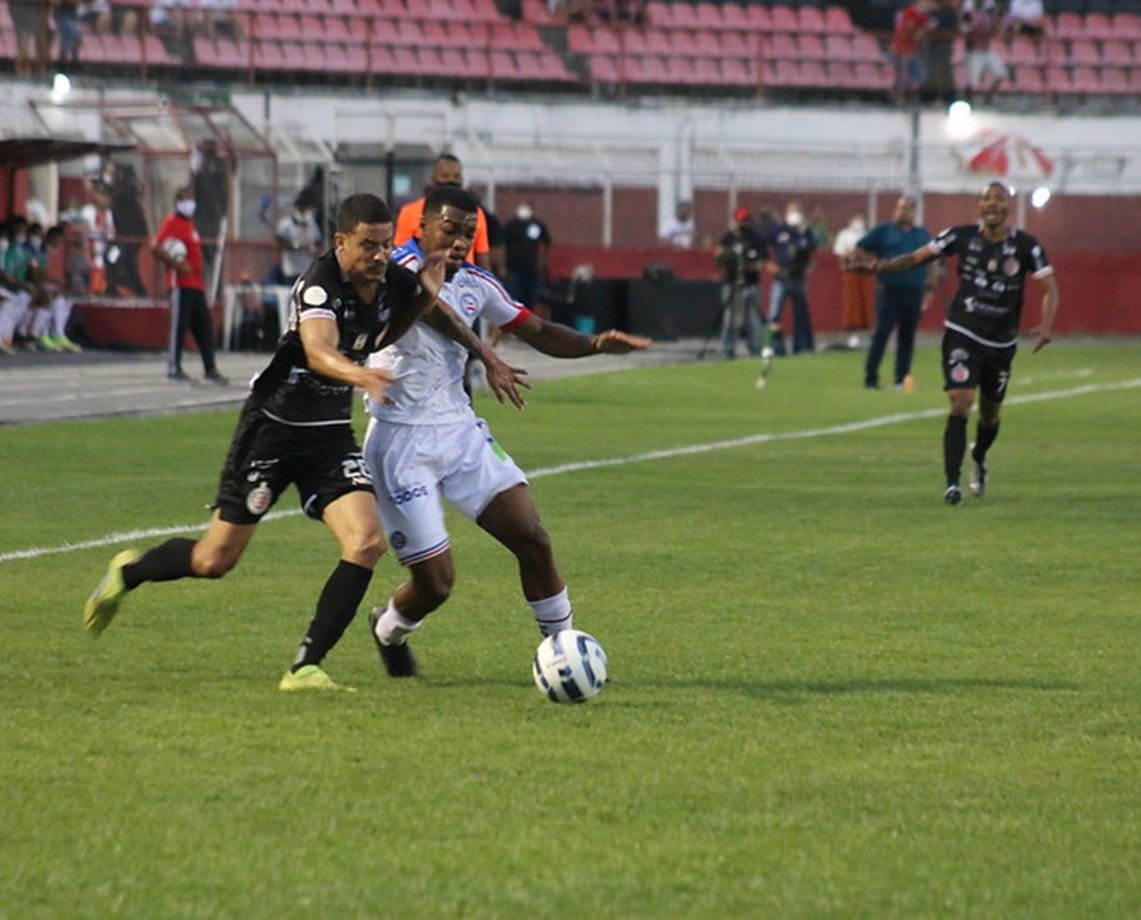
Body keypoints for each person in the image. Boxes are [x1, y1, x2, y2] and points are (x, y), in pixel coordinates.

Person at [83, 192, 518, 692]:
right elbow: (317, 351)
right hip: (273, 429)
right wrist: (360, 376)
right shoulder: (318, 285)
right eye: (367, 246)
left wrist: (434, 304)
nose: (379, 257)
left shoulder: (390, 279)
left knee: (367, 542)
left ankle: (305, 666)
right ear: (340, 242)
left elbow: (394, 329)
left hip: (329, 435)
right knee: (213, 560)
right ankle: (129, 572)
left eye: (383, 245)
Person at [361, 185, 651, 677]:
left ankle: (565, 653)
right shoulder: (396, 270)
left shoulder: (477, 282)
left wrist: (595, 344)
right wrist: (486, 353)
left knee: (533, 538)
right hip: (399, 441)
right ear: (423, 227)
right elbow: (433, 310)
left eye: (468, 236)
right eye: (450, 231)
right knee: (436, 584)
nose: (458, 243)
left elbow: (535, 329)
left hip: (458, 432)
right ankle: (388, 628)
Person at [848, 182, 1059, 505]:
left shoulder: (1027, 247)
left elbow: (1050, 289)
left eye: (998, 199)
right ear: (980, 206)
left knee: (989, 416)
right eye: (986, 198)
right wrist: (878, 266)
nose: (991, 204)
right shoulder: (959, 236)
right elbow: (916, 258)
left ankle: (979, 456)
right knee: (960, 401)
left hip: (1000, 344)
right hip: (962, 332)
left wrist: (1045, 327)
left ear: (1008, 207)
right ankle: (951, 483)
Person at [852, 196, 937, 390]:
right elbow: (861, 247)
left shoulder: (921, 234)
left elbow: (932, 259)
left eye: (906, 208)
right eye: (899, 208)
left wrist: (930, 286)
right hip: (890, 291)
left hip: (913, 293)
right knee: (881, 334)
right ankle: (871, 377)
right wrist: (872, 265)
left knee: (907, 337)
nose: (901, 212)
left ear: (913, 212)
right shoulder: (885, 230)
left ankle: (901, 378)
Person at [152, 186, 227, 384]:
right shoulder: (172, 222)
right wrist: (176, 264)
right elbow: (156, 247)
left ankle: (210, 368)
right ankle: (174, 367)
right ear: (178, 202)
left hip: (196, 284)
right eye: (187, 199)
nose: (191, 203)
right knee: (179, 326)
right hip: (181, 283)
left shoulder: (189, 224)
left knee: (204, 326)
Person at [394, 153, 493, 272]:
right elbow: (401, 252)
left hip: (462, 282)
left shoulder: (475, 214)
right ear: (434, 178)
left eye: (456, 176)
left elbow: (483, 260)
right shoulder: (410, 211)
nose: (451, 180)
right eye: (445, 176)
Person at [765, 202, 817, 356]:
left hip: (798, 278)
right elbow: (762, 246)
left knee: (801, 314)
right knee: (774, 314)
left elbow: (813, 253)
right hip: (781, 278)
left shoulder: (806, 232)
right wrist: (769, 264)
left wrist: (809, 268)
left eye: (798, 211)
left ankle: (801, 346)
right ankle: (774, 347)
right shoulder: (778, 231)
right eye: (792, 211)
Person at [715, 208, 765, 359]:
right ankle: (727, 348)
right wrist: (728, 258)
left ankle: (755, 348)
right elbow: (719, 256)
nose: (743, 223)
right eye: (740, 220)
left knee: (753, 318)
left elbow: (762, 259)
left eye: (745, 220)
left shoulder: (756, 238)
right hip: (731, 281)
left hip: (750, 282)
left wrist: (752, 264)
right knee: (729, 316)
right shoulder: (728, 237)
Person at [832, 211, 875, 346]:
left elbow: (872, 253)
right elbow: (840, 253)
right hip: (850, 271)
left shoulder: (868, 235)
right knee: (852, 303)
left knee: (866, 302)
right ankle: (852, 333)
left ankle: (867, 333)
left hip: (865, 271)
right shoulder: (844, 235)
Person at [502, 202, 551, 312]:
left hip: (532, 269)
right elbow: (502, 246)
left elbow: (546, 242)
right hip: (514, 268)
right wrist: (504, 266)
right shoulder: (511, 226)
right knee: (513, 299)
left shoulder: (537, 225)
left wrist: (541, 260)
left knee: (531, 299)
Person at [962, 0, 1008, 105]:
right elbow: (966, 32)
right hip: (974, 52)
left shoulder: (986, 15)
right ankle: (968, 102)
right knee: (972, 82)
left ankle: (988, 99)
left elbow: (993, 31)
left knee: (1000, 74)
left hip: (986, 50)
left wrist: (996, 21)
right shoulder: (968, 15)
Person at [890, 0, 936, 105]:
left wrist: (925, 29)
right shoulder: (910, 12)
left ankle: (909, 96)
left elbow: (920, 35)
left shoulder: (924, 16)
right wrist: (926, 28)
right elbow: (913, 33)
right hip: (901, 48)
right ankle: (898, 97)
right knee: (902, 73)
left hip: (912, 49)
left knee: (920, 74)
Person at [273, 190, 323, 286]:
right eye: (301, 207)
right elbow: (279, 243)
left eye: (306, 207)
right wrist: (296, 246)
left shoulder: (312, 224)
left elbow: (318, 242)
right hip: (292, 270)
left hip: (308, 270)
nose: (304, 210)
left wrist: (316, 251)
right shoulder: (286, 224)